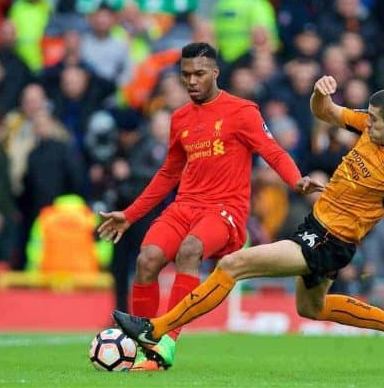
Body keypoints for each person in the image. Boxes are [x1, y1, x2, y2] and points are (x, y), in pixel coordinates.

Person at [113, 76, 384, 373]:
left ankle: (155, 329)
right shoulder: (372, 129)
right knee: (311, 309)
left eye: (372, 120)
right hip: (317, 227)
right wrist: (319, 94)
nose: (364, 123)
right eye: (365, 117)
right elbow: (327, 113)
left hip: (331, 239)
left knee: (232, 265)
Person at [97, 42, 320, 371]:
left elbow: (272, 151)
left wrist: (296, 179)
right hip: (184, 206)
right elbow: (168, 173)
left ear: (215, 73)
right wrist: (129, 215)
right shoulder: (180, 118)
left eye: (199, 73)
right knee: (147, 259)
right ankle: (144, 347)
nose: (191, 81)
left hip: (224, 210)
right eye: (186, 75)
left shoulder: (243, 111)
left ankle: (167, 342)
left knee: (189, 251)